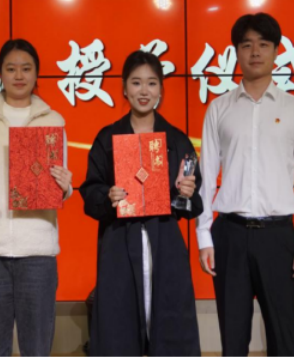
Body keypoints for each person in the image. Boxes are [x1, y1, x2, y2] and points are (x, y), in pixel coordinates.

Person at [197, 13, 294, 357]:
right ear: (236, 52)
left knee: (283, 337)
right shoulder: (219, 108)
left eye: (263, 44)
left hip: (278, 238)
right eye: (247, 45)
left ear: (276, 51)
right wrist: (204, 236)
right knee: (233, 340)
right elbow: (205, 178)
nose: (255, 52)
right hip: (230, 236)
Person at [80, 50, 203, 357]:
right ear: (124, 88)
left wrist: (186, 193)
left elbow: (195, 203)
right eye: (136, 83)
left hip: (165, 243)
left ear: (161, 89)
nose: (144, 91)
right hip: (120, 243)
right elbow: (90, 192)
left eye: (151, 83)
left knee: (171, 325)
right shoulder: (108, 138)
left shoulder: (176, 140)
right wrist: (108, 196)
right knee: (119, 325)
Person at [0, 39, 74, 357]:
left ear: (37, 73)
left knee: (37, 346)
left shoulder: (54, 121)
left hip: (37, 250)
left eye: (26, 68)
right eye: (11, 69)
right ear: (0, 73)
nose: (19, 76)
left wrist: (66, 186)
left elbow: (62, 183)